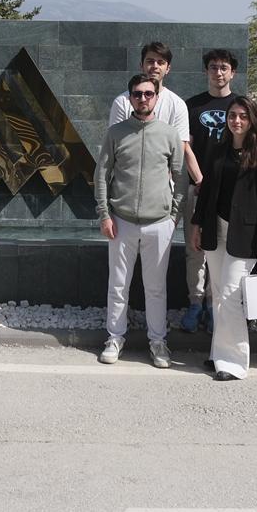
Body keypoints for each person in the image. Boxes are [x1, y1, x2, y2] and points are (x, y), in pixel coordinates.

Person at [95, 74, 185, 369]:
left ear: (157, 97)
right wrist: (104, 214)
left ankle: (158, 341)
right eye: (137, 94)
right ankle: (115, 338)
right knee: (118, 285)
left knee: (156, 287)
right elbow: (102, 175)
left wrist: (173, 216)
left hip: (159, 223)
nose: (143, 98)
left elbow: (180, 177)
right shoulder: (116, 133)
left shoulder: (170, 134)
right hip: (121, 221)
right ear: (130, 97)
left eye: (148, 94)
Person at [188, 96, 257, 380]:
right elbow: (207, 193)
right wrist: (197, 225)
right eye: (232, 115)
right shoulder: (217, 150)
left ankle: (234, 363)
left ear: (252, 120)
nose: (236, 121)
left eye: (242, 116)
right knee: (217, 295)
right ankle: (217, 355)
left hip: (245, 234)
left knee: (230, 296)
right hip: (216, 230)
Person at [178, 48, 239, 334]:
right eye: (213, 67)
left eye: (224, 67)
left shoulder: (241, 106)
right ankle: (195, 302)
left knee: (222, 249)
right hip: (197, 186)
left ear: (232, 72)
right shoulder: (192, 106)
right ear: (206, 71)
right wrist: (200, 179)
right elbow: (185, 146)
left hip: (228, 192)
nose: (218, 72)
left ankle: (215, 304)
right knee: (195, 248)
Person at [108, 41, 200, 188]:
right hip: (125, 188)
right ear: (141, 65)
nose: (155, 66)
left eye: (160, 62)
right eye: (150, 61)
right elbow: (114, 145)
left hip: (162, 189)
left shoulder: (177, 104)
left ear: (168, 68)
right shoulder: (122, 102)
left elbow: (180, 148)